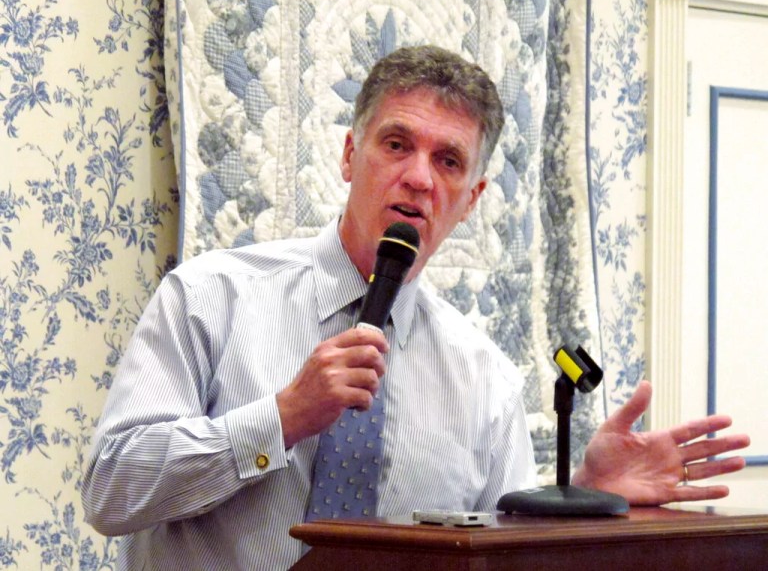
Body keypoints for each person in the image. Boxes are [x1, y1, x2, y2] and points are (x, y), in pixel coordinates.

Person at [82, 45, 750, 570]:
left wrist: (580, 499)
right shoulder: (209, 298)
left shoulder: (483, 377)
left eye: (449, 161)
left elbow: (499, 554)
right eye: (397, 144)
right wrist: (281, 419)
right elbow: (110, 491)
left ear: (472, 198)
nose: (419, 178)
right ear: (351, 154)